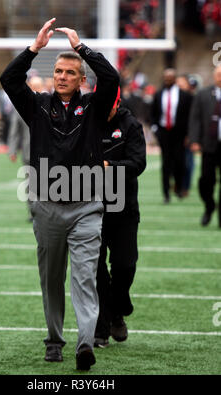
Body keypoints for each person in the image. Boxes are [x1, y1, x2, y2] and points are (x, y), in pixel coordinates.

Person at [0, 18, 119, 370]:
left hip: (86, 207)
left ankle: (85, 344)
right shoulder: (36, 106)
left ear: (82, 79)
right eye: (58, 71)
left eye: (70, 72)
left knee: (84, 278)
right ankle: (54, 339)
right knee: (52, 279)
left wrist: (82, 48)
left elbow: (111, 78)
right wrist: (33, 48)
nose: (63, 76)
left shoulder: (95, 108)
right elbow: (9, 79)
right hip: (47, 206)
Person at [94, 88, 146, 348]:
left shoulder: (130, 125)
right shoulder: (86, 120)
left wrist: (109, 167)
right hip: (91, 207)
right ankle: (102, 326)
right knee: (96, 269)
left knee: (125, 265)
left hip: (124, 207)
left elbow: (138, 163)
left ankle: (119, 306)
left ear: (117, 102)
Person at [151, 69, 193, 203]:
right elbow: (153, 114)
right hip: (164, 132)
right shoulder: (158, 94)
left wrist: (188, 134)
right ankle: (166, 193)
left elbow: (189, 116)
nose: (167, 80)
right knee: (166, 163)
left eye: (170, 78)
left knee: (179, 161)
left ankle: (179, 188)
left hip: (179, 132)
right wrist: (156, 129)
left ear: (175, 79)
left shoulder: (184, 96)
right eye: (165, 78)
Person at [188, 65, 221, 228]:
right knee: (206, 181)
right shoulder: (203, 94)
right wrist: (194, 140)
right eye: (218, 74)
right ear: (214, 76)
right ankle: (209, 206)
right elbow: (195, 119)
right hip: (209, 145)